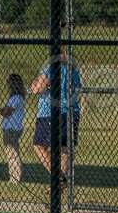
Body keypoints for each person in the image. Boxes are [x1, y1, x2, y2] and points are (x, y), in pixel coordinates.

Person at [30, 46, 81, 187]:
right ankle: (60, 185)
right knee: (64, 147)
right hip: (72, 111)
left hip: (50, 112)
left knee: (38, 145)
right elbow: (77, 90)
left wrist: (37, 84)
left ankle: (58, 175)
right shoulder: (72, 70)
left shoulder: (50, 68)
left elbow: (36, 89)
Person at [0, 74, 26, 183]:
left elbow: (7, 111)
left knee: (12, 152)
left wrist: (2, 110)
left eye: (9, 82)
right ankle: (13, 175)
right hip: (13, 127)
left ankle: (15, 177)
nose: (7, 85)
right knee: (11, 152)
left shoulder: (16, 97)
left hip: (11, 128)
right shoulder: (17, 97)